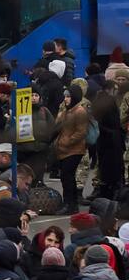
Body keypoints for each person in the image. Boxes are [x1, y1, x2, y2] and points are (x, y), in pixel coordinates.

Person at [54, 85, 89, 213]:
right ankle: (71, 203)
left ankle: (69, 204)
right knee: (67, 177)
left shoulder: (79, 111)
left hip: (74, 150)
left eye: (68, 96)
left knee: (67, 176)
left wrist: (66, 142)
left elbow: (81, 132)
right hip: (64, 150)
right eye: (65, 96)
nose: (66, 99)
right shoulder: (67, 110)